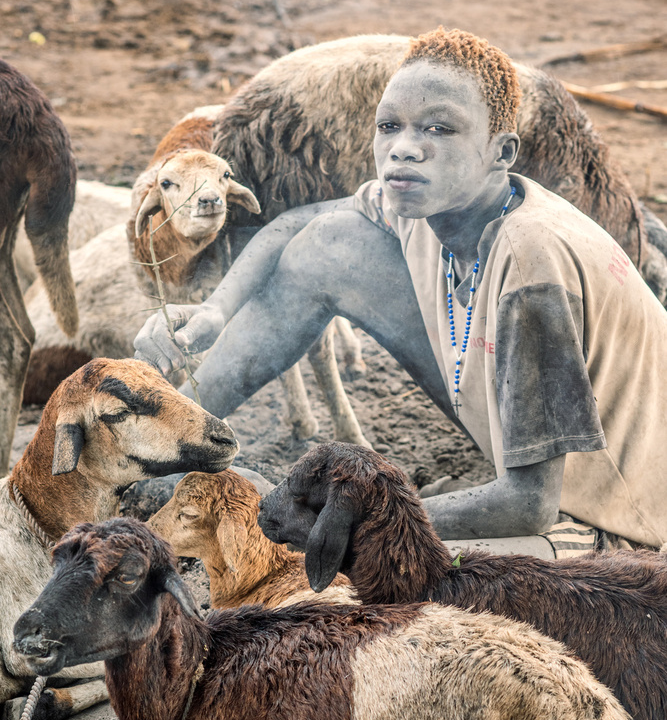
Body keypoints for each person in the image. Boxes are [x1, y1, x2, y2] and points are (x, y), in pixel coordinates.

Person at [134, 27, 667, 551]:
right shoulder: (426, 201)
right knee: (331, 242)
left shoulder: (532, 262)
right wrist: (213, 311)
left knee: (408, 579)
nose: (405, 149)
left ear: (501, 152)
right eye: (390, 125)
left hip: (622, 516)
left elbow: (530, 504)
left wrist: (362, 517)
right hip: (531, 458)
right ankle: (170, 438)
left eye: (439, 130)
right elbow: (293, 227)